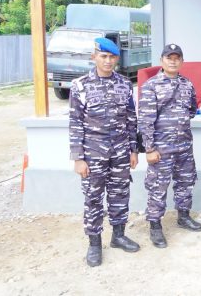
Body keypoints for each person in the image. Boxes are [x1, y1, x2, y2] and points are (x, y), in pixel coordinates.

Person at [69, 37, 140, 267]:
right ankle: (94, 244)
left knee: (120, 194)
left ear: (117, 59)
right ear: (94, 57)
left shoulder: (125, 84)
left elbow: (131, 120)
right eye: (103, 56)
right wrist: (78, 157)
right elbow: (75, 123)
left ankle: (118, 236)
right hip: (93, 153)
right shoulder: (80, 86)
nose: (108, 61)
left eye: (112, 57)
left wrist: (133, 150)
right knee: (93, 198)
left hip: (120, 151)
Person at [138, 44, 201, 249]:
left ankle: (183, 216)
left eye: (177, 58)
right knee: (158, 187)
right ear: (162, 60)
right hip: (161, 147)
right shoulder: (151, 86)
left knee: (186, 183)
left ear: (182, 61)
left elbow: (192, 110)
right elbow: (145, 120)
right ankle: (155, 226)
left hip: (184, 145)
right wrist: (149, 149)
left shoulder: (187, 84)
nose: (173, 61)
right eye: (169, 57)